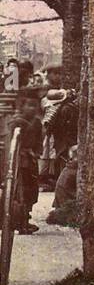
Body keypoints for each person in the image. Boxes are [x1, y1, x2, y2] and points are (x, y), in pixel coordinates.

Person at [13, 91, 44, 233]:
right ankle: (20, 220)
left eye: (35, 106)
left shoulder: (37, 123)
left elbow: (38, 142)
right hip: (19, 160)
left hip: (30, 161)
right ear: (22, 106)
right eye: (29, 105)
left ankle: (26, 218)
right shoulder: (17, 122)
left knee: (31, 190)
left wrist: (36, 152)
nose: (32, 109)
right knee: (20, 190)